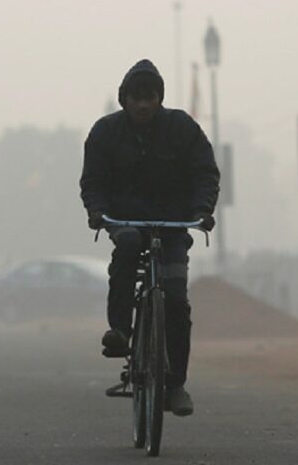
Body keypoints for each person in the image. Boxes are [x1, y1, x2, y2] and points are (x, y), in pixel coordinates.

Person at [79, 59, 219, 417]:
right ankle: (121, 331)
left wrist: (203, 209)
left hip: (173, 224)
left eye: (150, 97)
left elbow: (205, 172)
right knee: (126, 247)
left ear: (160, 99)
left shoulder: (182, 128)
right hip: (124, 220)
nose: (143, 105)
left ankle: (176, 384)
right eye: (135, 98)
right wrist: (97, 211)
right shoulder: (105, 133)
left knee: (175, 298)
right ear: (124, 100)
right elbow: (93, 181)